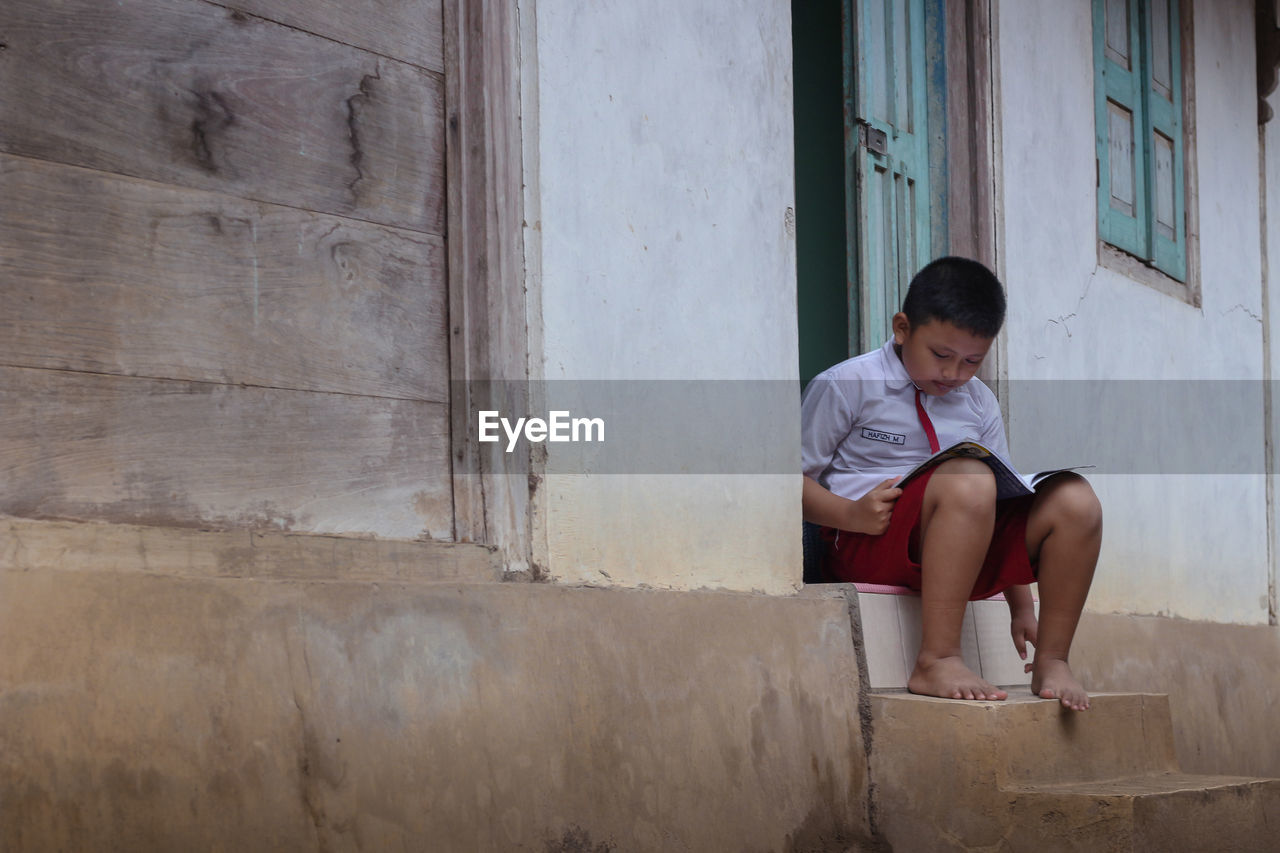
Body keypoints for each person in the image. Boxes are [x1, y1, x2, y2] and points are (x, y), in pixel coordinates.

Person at [801, 257, 1101, 711]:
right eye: (941, 355)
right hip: (870, 540)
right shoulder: (847, 384)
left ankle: (1054, 660)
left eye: (972, 361)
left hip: (964, 541)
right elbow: (785, 483)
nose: (954, 374)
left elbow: (1007, 498)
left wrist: (1021, 606)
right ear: (902, 328)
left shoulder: (979, 403)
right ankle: (937, 658)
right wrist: (850, 514)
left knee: (1076, 500)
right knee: (969, 477)